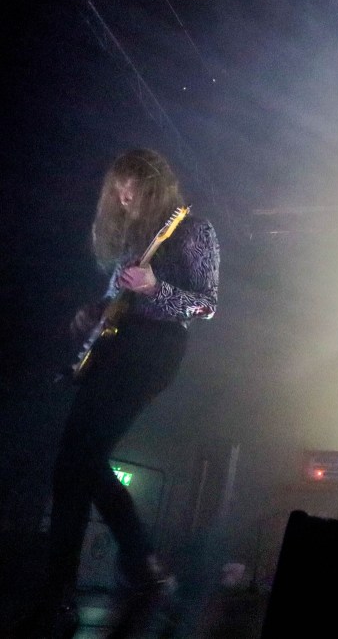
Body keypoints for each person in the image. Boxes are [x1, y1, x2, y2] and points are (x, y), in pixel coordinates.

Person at [16, 148, 220, 638]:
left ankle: (67, 593)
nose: (125, 199)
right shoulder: (133, 238)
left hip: (155, 350)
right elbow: (115, 300)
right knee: (78, 463)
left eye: (133, 190)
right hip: (115, 347)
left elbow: (207, 304)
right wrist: (94, 313)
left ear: (155, 186)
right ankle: (138, 569)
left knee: (77, 461)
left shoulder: (193, 229)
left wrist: (154, 289)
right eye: (119, 192)